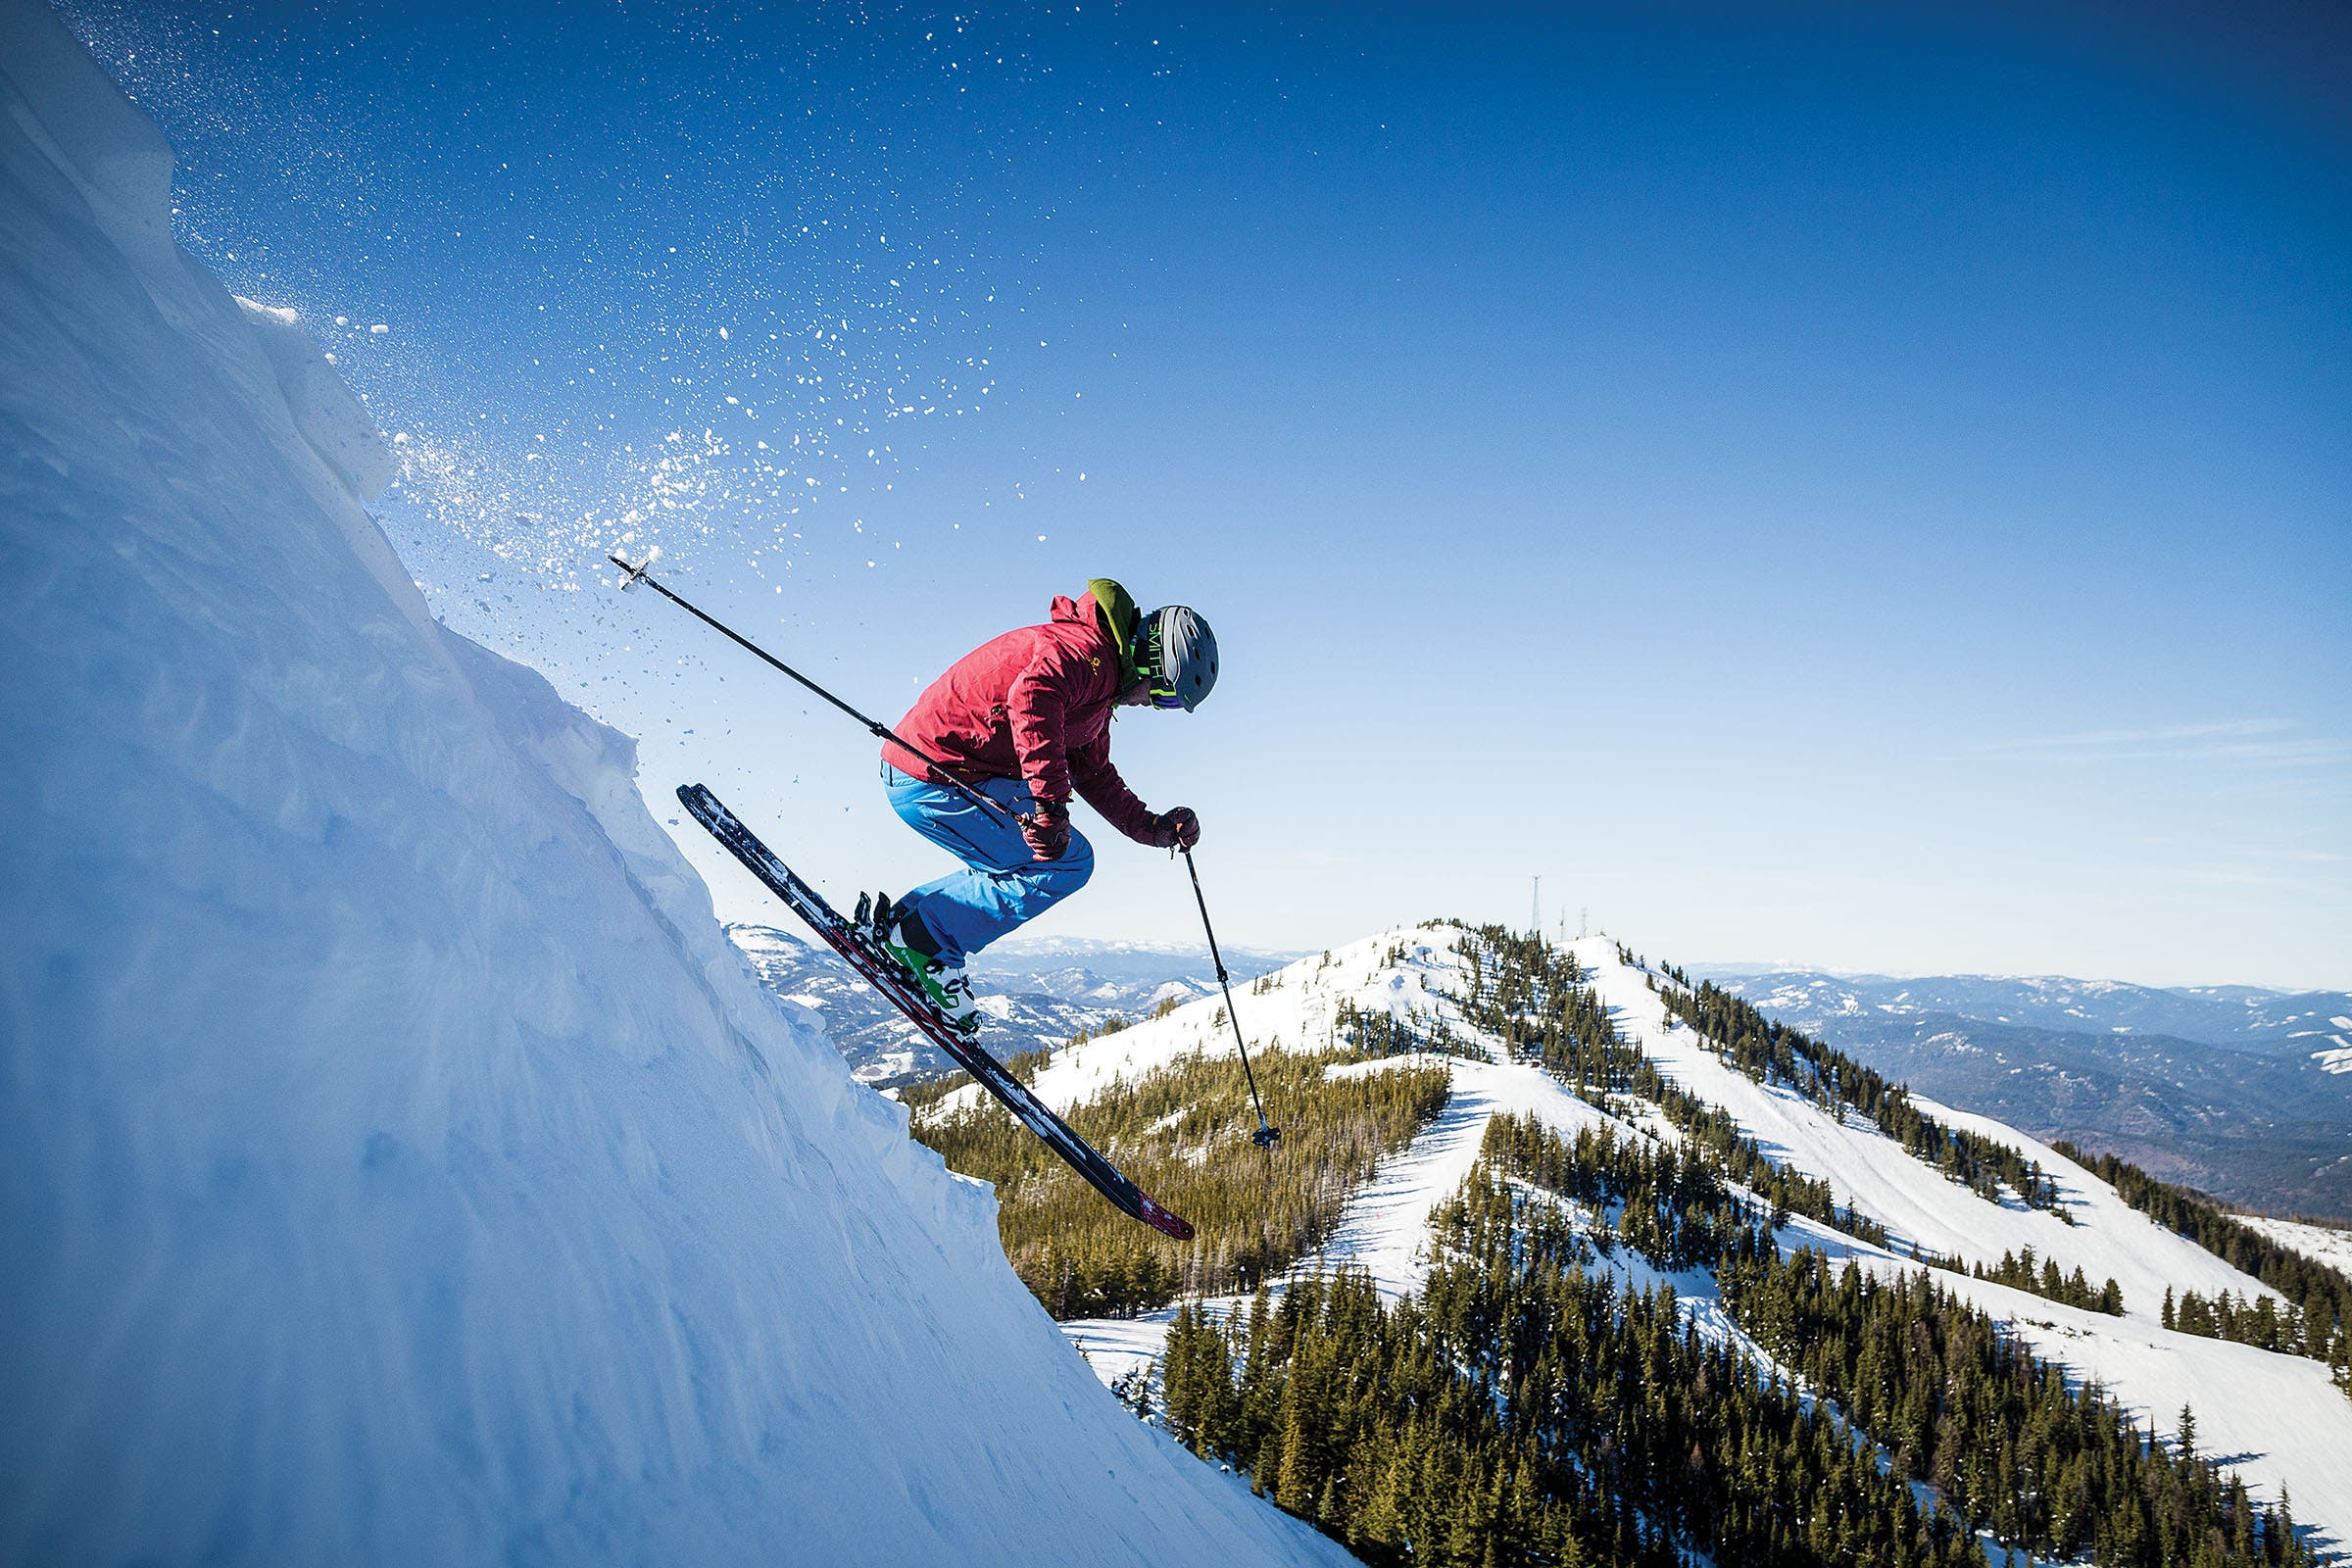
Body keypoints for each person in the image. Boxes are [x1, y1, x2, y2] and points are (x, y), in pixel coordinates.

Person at [865, 579, 1215, 1032]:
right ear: (1151, 658)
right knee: (1065, 863)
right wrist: (1050, 806)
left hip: (935, 773)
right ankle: (924, 938)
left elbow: (1091, 772)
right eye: (1165, 695)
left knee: (1032, 858)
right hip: (935, 778)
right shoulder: (1088, 656)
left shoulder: (1095, 683)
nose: (1155, 706)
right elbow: (1032, 696)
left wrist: (1153, 828)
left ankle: (910, 925)